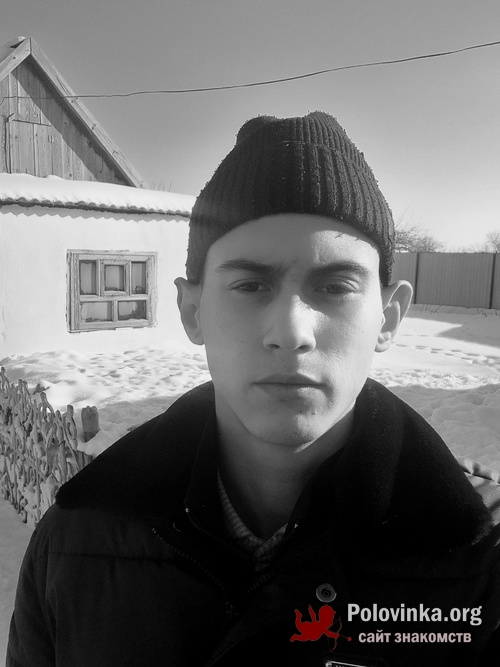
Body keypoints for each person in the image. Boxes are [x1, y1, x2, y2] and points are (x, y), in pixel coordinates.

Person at [7, 111, 500, 667]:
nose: (290, 332)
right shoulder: (74, 544)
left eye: (335, 286)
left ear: (387, 318)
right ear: (192, 311)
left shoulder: (481, 557)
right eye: (249, 284)